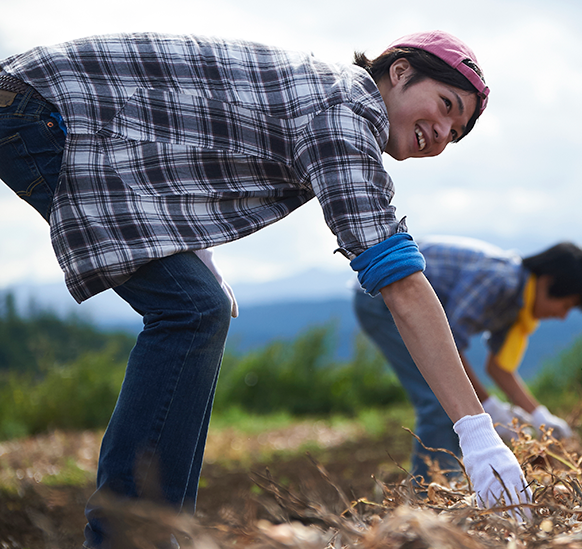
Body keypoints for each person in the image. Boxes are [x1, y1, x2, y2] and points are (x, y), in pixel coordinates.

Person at [0, 30, 530, 547]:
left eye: (455, 132)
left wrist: (196, 254)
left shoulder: (332, 97)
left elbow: (186, 138)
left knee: (196, 306)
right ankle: (132, 535)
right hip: (47, 107)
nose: (441, 131)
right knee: (192, 311)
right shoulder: (345, 114)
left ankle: (150, 533)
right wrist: (477, 434)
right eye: (444, 104)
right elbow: (401, 283)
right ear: (400, 72)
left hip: (58, 106)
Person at [354, 236, 582, 481]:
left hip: (398, 300)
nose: (562, 316)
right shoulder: (499, 280)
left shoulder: (519, 303)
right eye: (565, 304)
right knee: (443, 400)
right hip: (383, 296)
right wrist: (489, 407)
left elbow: (499, 369)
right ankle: (432, 495)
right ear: (548, 282)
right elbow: (446, 347)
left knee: (453, 400)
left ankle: (448, 482)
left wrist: (540, 416)